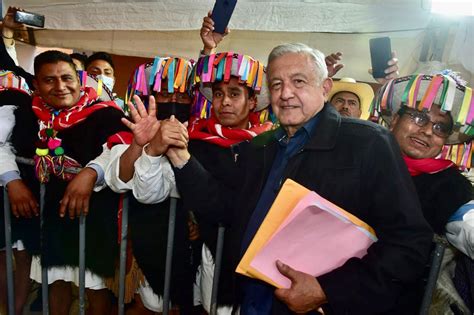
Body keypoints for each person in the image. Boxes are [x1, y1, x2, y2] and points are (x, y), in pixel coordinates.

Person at [161, 43, 433, 314]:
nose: (285, 93)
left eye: (298, 81)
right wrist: (180, 156)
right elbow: (225, 208)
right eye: (277, 84)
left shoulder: (368, 143)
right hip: (251, 301)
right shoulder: (260, 148)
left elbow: (408, 242)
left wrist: (327, 290)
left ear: (325, 88)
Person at [3, 50, 128, 314]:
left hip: (92, 218)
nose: (60, 87)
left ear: (80, 79)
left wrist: (91, 172)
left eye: (67, 78)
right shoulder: (26, 112)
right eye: (49, 80)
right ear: (36, 84)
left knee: (96, 288)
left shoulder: (104, 112)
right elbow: (2, 146)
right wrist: (12, 180)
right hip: (48, 218)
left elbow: (119, 148)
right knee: (54, 282)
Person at [101, 57, 196, 314]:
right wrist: (142, 144)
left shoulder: (204, 135)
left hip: (192, 249)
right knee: (149, 304)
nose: (172, 102)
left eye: (181, 95)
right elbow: (118, 180)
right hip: (146, 242)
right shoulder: (130, 131)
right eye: (163, 94)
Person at [372, 73, 474, 312]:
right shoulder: (361, 159)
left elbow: (467, 223)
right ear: (395, 119)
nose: (428, 131)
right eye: (419, 118)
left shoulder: (448, 184)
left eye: (440, 128)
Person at [0, 70, 35, 315]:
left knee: (23, 253)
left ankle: (16, 309)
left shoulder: (15, 88)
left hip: (22, 185)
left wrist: (13, 181)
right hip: (12, 182)